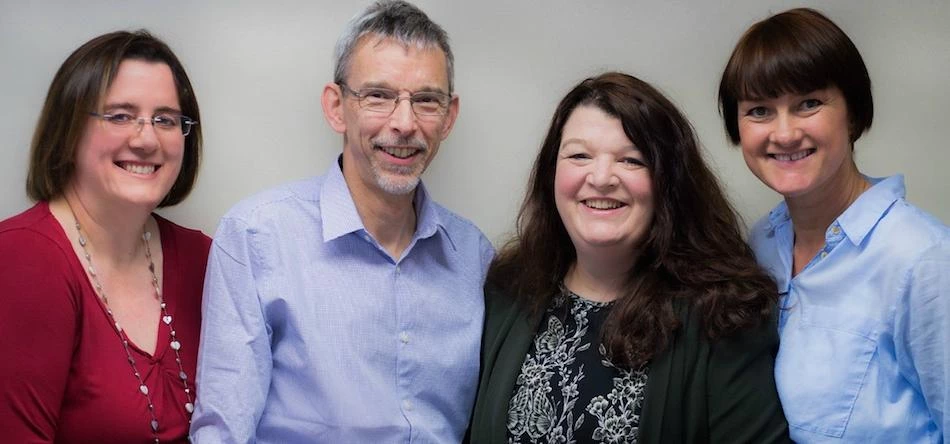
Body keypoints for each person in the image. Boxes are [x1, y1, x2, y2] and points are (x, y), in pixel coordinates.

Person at [189, 1, 493, 442]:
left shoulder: (474, 257)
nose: (404, 123)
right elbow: (223, 433)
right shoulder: (258, 237)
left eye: (427, 100)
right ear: (336, 107)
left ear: (449, 116)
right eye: (378, 96)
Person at [469, 72, 789, 443]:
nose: (602, 177)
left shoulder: (724, 316)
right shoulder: (506, 291)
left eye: (631, 160)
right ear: (551, 175)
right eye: (579, 155)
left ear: (668, 183)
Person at [718, 8, 950, 442]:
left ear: (854, 113)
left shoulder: (922, 260)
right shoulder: (758, 246)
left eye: (809, 103)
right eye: (760, 110)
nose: (784, 134)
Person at [0, 30, 210, 443]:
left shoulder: (202, 256)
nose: (146, 139)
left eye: (165, 119)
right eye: (120, 115)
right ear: (69, 129)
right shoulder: (22, 259)